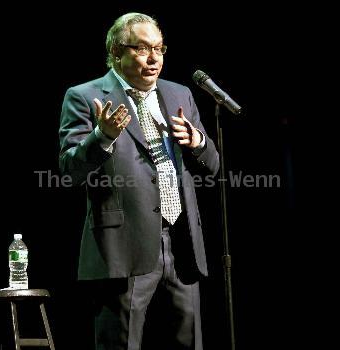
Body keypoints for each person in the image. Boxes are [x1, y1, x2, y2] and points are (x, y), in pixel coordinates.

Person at [59, 12, 220, 350]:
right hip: (124, 245)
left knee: (189, 341)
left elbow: (214, 165)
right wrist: (102, 136)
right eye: (143, 48)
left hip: (181, 243)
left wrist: (199, 143)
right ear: (117, 52)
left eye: (159, 49)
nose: (154, 59)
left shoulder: (180, 95)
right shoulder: (85, 97)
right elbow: (69, 170)